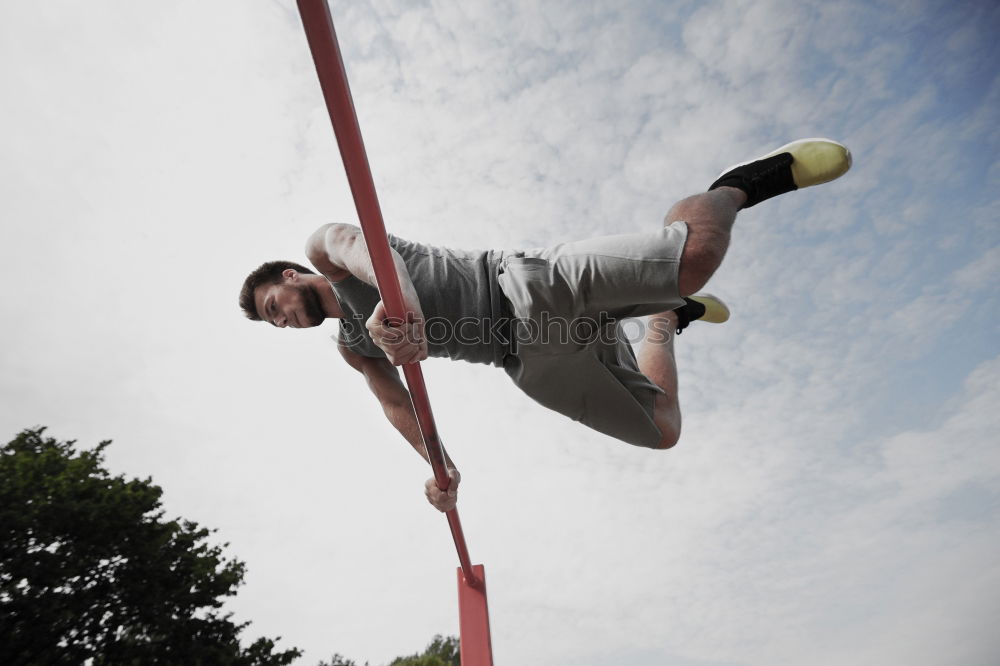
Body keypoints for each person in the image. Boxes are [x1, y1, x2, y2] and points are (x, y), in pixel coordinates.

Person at [239, 138, 852, 512]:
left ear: (291, 276)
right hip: (530, 360)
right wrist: (439, 466)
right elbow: (398, 404)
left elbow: (360, 246)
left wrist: (400, 305)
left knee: (694, 258)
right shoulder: (352, 346)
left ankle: (735, 187)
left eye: (275, 307)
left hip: (520, 286)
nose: (285, 322)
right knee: (661, 429)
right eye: (276, 326)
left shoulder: (322, 250)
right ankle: (662, 321)